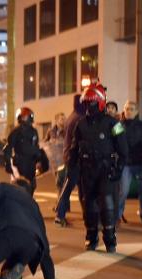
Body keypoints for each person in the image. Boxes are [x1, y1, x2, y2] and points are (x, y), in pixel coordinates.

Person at [68, 83, 128, 252]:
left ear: (100, 103)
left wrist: (118, 168)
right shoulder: (80, 124)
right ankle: (91, 237)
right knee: (89, 206)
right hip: (87, 170)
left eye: (91, 103)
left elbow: (123, 149)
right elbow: (74, 147)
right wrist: (71, 166)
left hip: (106, 169)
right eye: (86, 103)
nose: (88, 107)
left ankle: (110, 239)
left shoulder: (112, 123)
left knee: (107, 204)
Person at [118, 101, 142, 226]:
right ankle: (117, 216)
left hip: (140, 163)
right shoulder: (118, 126)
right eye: (127, 109)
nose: (129, 111)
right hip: (126, 164)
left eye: (132, 109)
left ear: (137, 111)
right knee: (123, 191)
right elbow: (113, 143)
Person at [54, 94, 85, 227]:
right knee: (69, 188)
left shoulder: (73, 116)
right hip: (75, 157)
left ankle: (86, 215)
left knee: (81, 188)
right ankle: (59, 215)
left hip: (71, 156)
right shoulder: (78, 118)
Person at [4, 107, 42, 194]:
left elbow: (36, 147)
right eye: (26, 116)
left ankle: (27, 205)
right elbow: (8, 148)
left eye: (29, 116)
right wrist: (8, 164)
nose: (28, 118)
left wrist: (39, 160)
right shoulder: (16, 132)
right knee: (20, 188)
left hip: (31, 165)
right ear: (20, 117)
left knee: (31, 187)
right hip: (19, 165)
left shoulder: (34, 131)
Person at [45, 113, 66, 193]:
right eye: (62, 119)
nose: (64, 121)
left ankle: (61, 202)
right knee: (58, 183)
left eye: (64, 119)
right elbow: (45, 142)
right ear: (56, 120)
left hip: (63, 160)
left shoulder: (67, 130)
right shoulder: (51, 131)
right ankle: (60, 202)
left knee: (61, 182)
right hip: (54, 162)